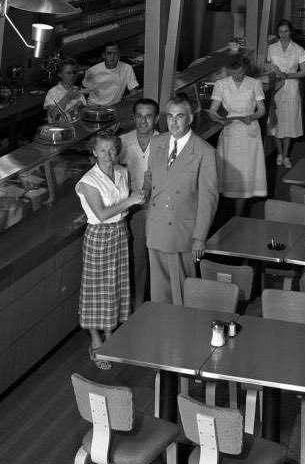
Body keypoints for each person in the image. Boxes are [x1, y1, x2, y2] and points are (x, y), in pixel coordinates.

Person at [76, 128, 145, 368]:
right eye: (103, 150)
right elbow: (102, 214)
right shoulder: (87, 182)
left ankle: (109, 334)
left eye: (112, 149)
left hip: (119, 232)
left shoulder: (122, 172)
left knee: (115, 285)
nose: (108, 154)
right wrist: (130, 201)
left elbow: (125, 207)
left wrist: (138, 199)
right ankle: (95, 337)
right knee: (96, 289)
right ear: (94, 152)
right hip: (99, 236)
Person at [144, 93, 219, 304]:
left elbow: (208, 199)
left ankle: (184, 334)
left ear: (190, 118)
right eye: (169, 116)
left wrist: (200, 237)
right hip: (156, 227)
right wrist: (145, 189)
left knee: (183, 295)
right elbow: (150, 175)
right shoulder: (157, 142)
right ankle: (161, 332)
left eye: (179, 116)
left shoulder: (205, 152)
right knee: (159, 294)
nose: (173, 122)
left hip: (182, 232)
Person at [209, 55, 267, 215]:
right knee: (229, 171)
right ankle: (223, 213)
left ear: (245, 70)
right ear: (229, 71)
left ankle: (239, 215)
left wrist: (252, 116)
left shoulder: (254, 83)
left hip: (249, 131)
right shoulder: (221, 84)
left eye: (240, 73)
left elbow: (262, 110)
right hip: (231, 131)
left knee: (246, 171)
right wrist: (220, 120)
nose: (237, 76)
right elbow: (213, 110)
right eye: (234, 73)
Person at [118, 97, 161, 304]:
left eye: (149, 116)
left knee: (159, 258)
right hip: (133, 210)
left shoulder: (165, 142)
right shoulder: (123, 142)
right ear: (133, 118)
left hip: (160, 209)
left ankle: (157, 302)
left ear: (157, 118)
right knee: (138, 259)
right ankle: (136, 306)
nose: (144, 121)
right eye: (139, 116)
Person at [264, 19, 305, 168]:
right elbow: (267, 67)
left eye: (286, 31)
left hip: (291, 88)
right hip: (275, 88)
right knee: (276, 120)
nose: (283, 34)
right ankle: (279, 153)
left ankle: (286, 154)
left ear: (291, 32)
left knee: (289, 120)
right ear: (277, 33)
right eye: (281, 31)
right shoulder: (271, 48)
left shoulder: (298, 49)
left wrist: (287, 76)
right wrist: (275, 73)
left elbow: (304, 72)